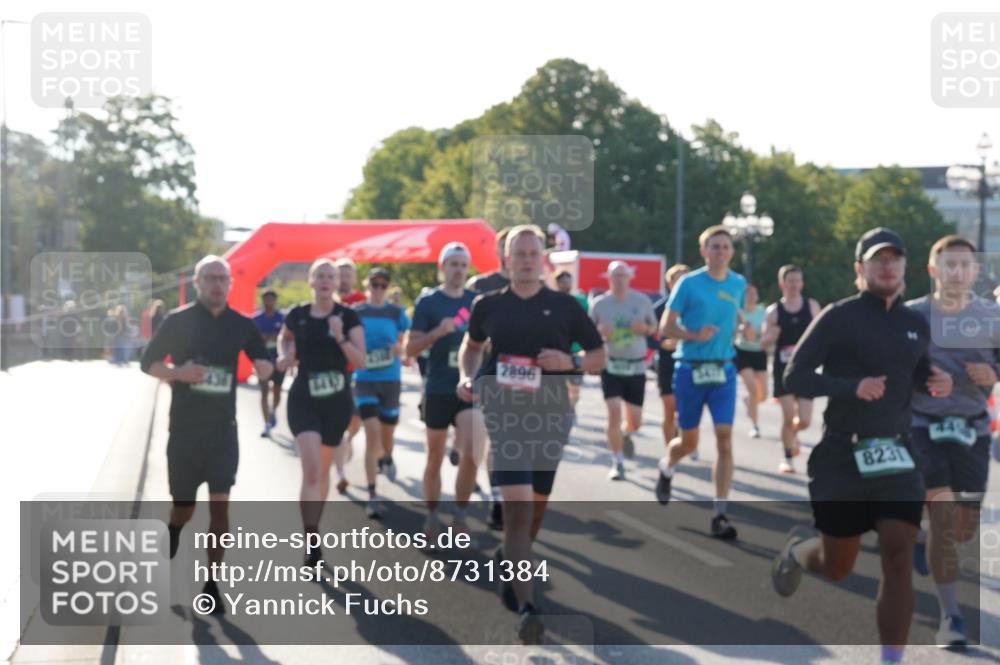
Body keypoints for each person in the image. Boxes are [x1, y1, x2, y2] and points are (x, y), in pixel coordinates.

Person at [770, 228, 953, 665]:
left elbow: (916, 373)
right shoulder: (839, 315)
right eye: (877, 260)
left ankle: (891, 659)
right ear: (859, 269)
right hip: (841, 456)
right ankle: (799, 552)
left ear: (904, 268)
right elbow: (794, 377)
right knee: (837, 565)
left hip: (895, 454)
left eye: (894, 259)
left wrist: (937, 381)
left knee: (897, 551)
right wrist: (852, 387)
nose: (886, 266)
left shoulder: (914, 323)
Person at [458, 224, 605, 643]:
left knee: (535, 511)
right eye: (517, 253)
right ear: (505, 259)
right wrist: (468, 377)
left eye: (532, 253)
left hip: (551, 418)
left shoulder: (565, 307)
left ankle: (511, 557)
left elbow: (599, 356)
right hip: (504, 416)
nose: (525, 259)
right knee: (519, 510)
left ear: (543, 258)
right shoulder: (488, 305)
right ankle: (528, 606)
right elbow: (471, 347)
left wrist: (569, 360)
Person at [140, 255, 273, 613]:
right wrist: (178, 373)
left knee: (220, 505)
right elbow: (147, 363)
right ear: (198, 282)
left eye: (222, 278)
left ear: (229, 284)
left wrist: (266, 367)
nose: (216, 284)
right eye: (210, 277)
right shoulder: (178, 321)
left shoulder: (241, 325)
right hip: (184, 431)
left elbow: (264, 362)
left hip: (222, 432)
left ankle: (212, 583)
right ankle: (173, 529)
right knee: (184, 508)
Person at [906, 235, 1000, 648]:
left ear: (975, 272)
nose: (957, 272)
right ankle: (951, 617)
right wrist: (925, 379)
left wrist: (994, 375)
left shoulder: (991, 317)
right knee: (944, 517)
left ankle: (923, 536)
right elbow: (889, 365)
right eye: (949, 265)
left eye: (965, 265)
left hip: (973, 430)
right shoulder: (911, 317)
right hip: (923, 426)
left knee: (964, 528)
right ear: (933, 271)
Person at [656, 226, 745, 540]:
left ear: (732, 252)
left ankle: (720, 513)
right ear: (704, 251)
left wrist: (742, 327)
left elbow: (733, 316)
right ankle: (667, 466)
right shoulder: (689, 283)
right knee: (689, 442)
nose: (721, 252)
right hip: (690, 369)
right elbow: (665, 326)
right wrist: (693, 335)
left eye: (726, 247)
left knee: (724, 437)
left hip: (723, 371)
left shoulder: (738, 283)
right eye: (715, 247)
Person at [277, 259, 365, 565]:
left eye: (332, 276)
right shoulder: (298, 314)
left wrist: (339, 335)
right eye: (321, 276)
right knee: (312, 470)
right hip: (304, 398)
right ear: (311, 281)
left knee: (324, 471)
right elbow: (285, 338)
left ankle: (314, 527)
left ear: (338, 282)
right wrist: (285, 355)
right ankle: (311, 537)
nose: (327, 281)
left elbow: (361, 360)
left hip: (337, 400)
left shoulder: (348, 316)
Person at [406, 242, 485, 541]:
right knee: (435, 456)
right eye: (452, 264)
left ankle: (461, 514)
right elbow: (410, 348)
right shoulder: (428, 303)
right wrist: (436, 333)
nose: (458, 270)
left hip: (468, 388)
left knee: (473, 451)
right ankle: (432, 515)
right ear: (442, 268)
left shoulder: (477, 302)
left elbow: (490, 343)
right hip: (438, 387)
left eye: (463, 265)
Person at [589, 261, 658, 480]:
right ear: (608, 278)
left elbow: (654, 328)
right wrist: (599, 334)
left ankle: (627, 435)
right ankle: (617, 461)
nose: (619, 280)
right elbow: (588, 335)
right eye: (615, 276)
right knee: (614, 412)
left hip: (636, 366)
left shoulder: (642, 300)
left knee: (635, 421)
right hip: (611, 365)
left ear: (630, 277)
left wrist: (644, 329)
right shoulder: (600, 304)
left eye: (623, 275)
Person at [353, 267, 411, 519]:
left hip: (390, 379)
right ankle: (372, 493)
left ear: (387, 288)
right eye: (374, 284)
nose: (378, 289)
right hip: (365, 378)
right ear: (367, 286)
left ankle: (387, 456)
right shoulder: (356, 313)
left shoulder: (397, 313)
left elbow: (405, 341)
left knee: (387, 435)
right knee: (372, 434)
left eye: (383, 285)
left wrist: (400, 349)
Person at [467, 226, 512, 529]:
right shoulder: (481, 287)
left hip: (528, 379)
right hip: (491, 372)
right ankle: (498, 497)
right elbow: (467, 337)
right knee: (497, 438)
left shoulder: (538, 288)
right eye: (511, 248)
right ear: (500, 251)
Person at [761, 265, 822, 474]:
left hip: (806, 368)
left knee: (804, 420)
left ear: (802, 283)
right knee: (788, 416)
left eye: (798, 281)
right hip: (783, 370)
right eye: (790, 281)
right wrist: (772, 335)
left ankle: (792, 434)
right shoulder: (774, 311)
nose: (795, 285)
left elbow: (824, 334)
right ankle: (787, 457)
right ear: (782, 284)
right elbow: (763, 342)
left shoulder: (812, 306)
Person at [653, 265, 691, 461]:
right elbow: (652, 336)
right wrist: (664, 343)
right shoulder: (660, 308)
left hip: (689, 363)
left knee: (686, 408)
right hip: (667, 363)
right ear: (670, 283)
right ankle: (670, 451)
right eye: (678, 279)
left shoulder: (696, 305)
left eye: (686, 278)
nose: (682, 282)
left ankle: (686, 440)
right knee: (670, 408)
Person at [734, 284, 768, 439]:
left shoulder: (763, 312)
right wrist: (742, 330)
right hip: (742, 352)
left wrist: (764, 336)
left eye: (754, 293)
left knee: (763, 395)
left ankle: (749, 401)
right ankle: (755, 426)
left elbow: (768, 331)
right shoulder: (739, 312)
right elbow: (735, 330)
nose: (751, 296)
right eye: (748, 293)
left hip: (759, 352)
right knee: (753, 389)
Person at [253, 290, 286, 437]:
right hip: (262, 360)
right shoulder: (256, 319)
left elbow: (286, 337)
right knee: (264, 390)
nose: (269, 303)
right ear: (263, 301)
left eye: (272, 300)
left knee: (277, 391)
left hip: (278, 360)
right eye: (267, 300)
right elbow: (253, 339)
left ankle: (273, 410)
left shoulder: (282, 318)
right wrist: (265, 338)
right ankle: (266, 424)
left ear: (275, 301)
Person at [554, 270, 586, 415]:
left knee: (575, 386)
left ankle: (571, 406)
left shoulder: (580, 300)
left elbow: (587, 322)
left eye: (568, 281)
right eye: (562, 281)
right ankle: (564, 407)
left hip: (576, 349)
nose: (566, 284)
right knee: (560, 384)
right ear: (557, 283)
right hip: (558, 350)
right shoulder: (551, 301)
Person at [467, 226, 512, 293]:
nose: (507, 251)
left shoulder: (529, 285)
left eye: (511, 247)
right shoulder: (478, 284)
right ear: (496, 250)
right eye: (504, 246)